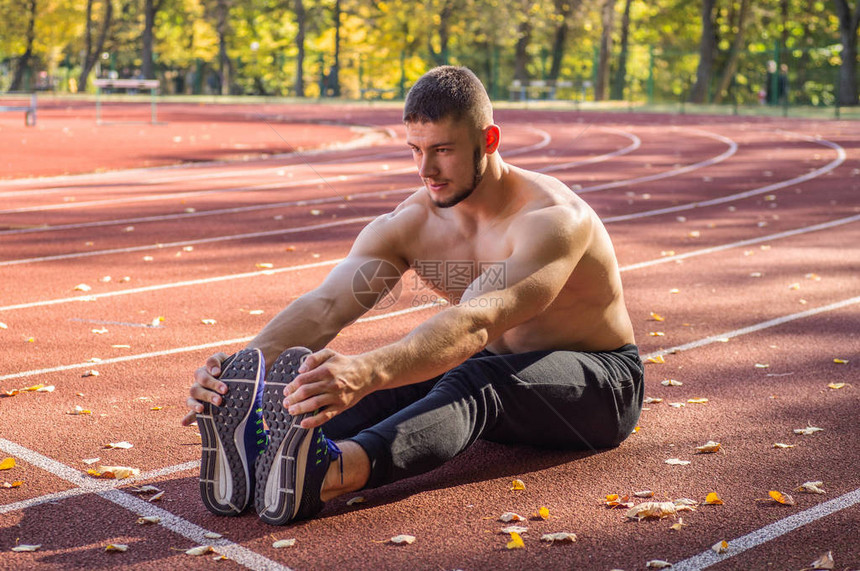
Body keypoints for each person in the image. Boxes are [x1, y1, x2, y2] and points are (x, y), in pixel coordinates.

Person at [182, 66, 643, 525]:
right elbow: (325, 306)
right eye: (416, 150)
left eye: (443, 150)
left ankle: (334, 472)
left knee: (467, 378)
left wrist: (367, 371)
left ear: (489, 140)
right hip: (486, 366)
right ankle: (259, 445)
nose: (426, 169)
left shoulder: (553, 220)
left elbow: (475, 322)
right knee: (343, 384)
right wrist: (240, 370)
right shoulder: (410, 223)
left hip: (600, 387)